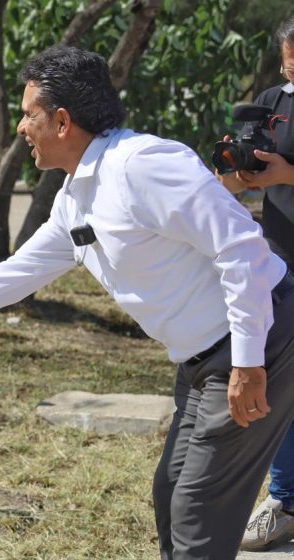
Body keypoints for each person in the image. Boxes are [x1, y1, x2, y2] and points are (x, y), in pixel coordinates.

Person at [0, 45, 294, 560]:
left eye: (28, 115)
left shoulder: (143, 165)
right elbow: (13, 276)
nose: (21, 128)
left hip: (261, 340)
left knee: (198, 512)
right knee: (171, 494)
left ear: (62, 122)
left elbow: (240, 246)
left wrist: (248, 364)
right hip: (202, 357)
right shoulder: (76, 195)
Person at [216, 15, 294, 552]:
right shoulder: (272, 98)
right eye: (288, 62)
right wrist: (240, 174)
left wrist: (286, 174)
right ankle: (285, 502)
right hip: (283, 258)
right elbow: (245, 167)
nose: (292, 72)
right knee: (288, 382)